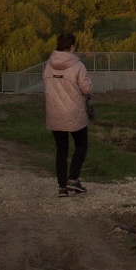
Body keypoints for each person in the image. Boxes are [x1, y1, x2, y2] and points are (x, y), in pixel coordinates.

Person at [44, 32, 93, 197]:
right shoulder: (78, 65)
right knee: (81, 144)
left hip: (54, 111)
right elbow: (86, 89)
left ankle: (62, 187)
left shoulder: (48, 65)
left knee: (61, 149)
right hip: (74, 112)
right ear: (72, 46)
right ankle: (73, 178)